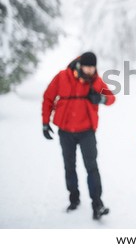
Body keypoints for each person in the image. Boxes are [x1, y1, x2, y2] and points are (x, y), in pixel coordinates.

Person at [42, 52, 116, 220]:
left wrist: (101, 99)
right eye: (87, 66)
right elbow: (48, 98)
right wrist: (45, 123)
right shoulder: (62, 77)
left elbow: (112, 98)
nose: (90, 70)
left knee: (91, 167)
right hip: (66, 131)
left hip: (86, 132)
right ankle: (73, 197)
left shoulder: (96, 81)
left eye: (93, 67)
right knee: (70, 166)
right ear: (80, 65)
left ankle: (97, 204)